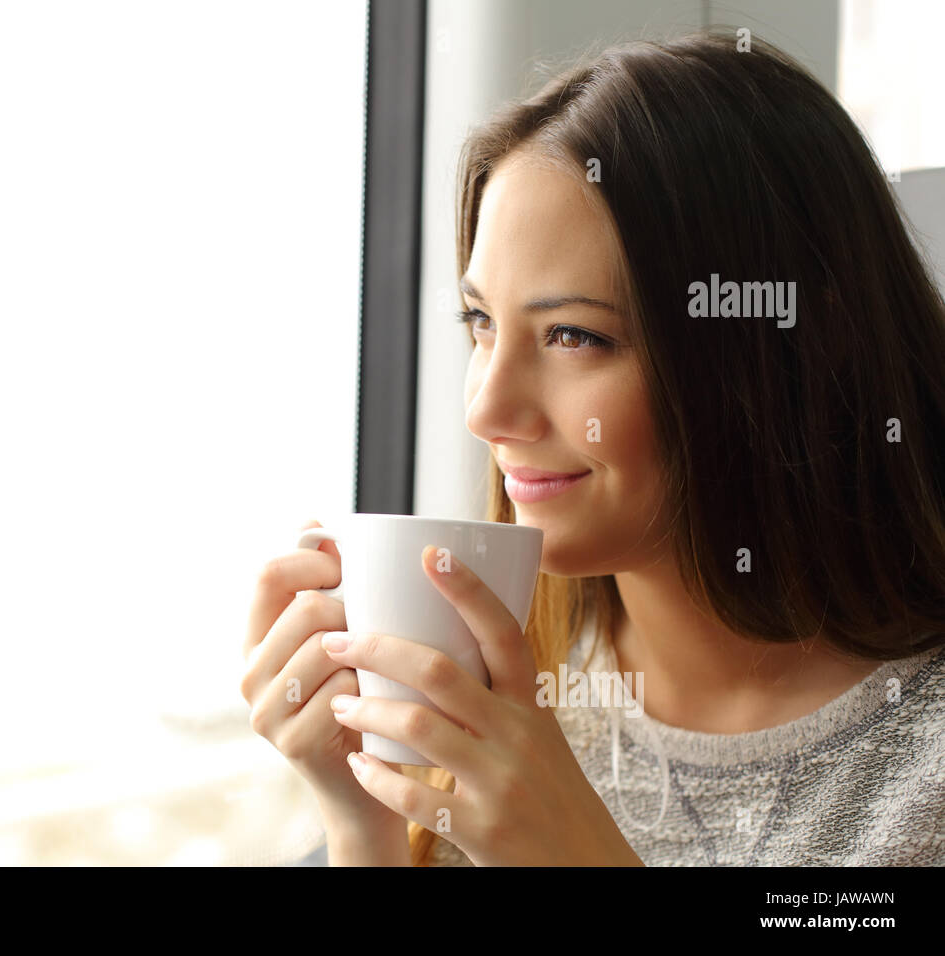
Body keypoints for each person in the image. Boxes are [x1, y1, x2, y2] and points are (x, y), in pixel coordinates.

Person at [241, 29, 945, 866]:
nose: (486, 409)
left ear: (788, 348)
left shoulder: (917, 776)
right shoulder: (489, 706)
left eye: (575, 336)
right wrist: (366, 826)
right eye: (482, 324)